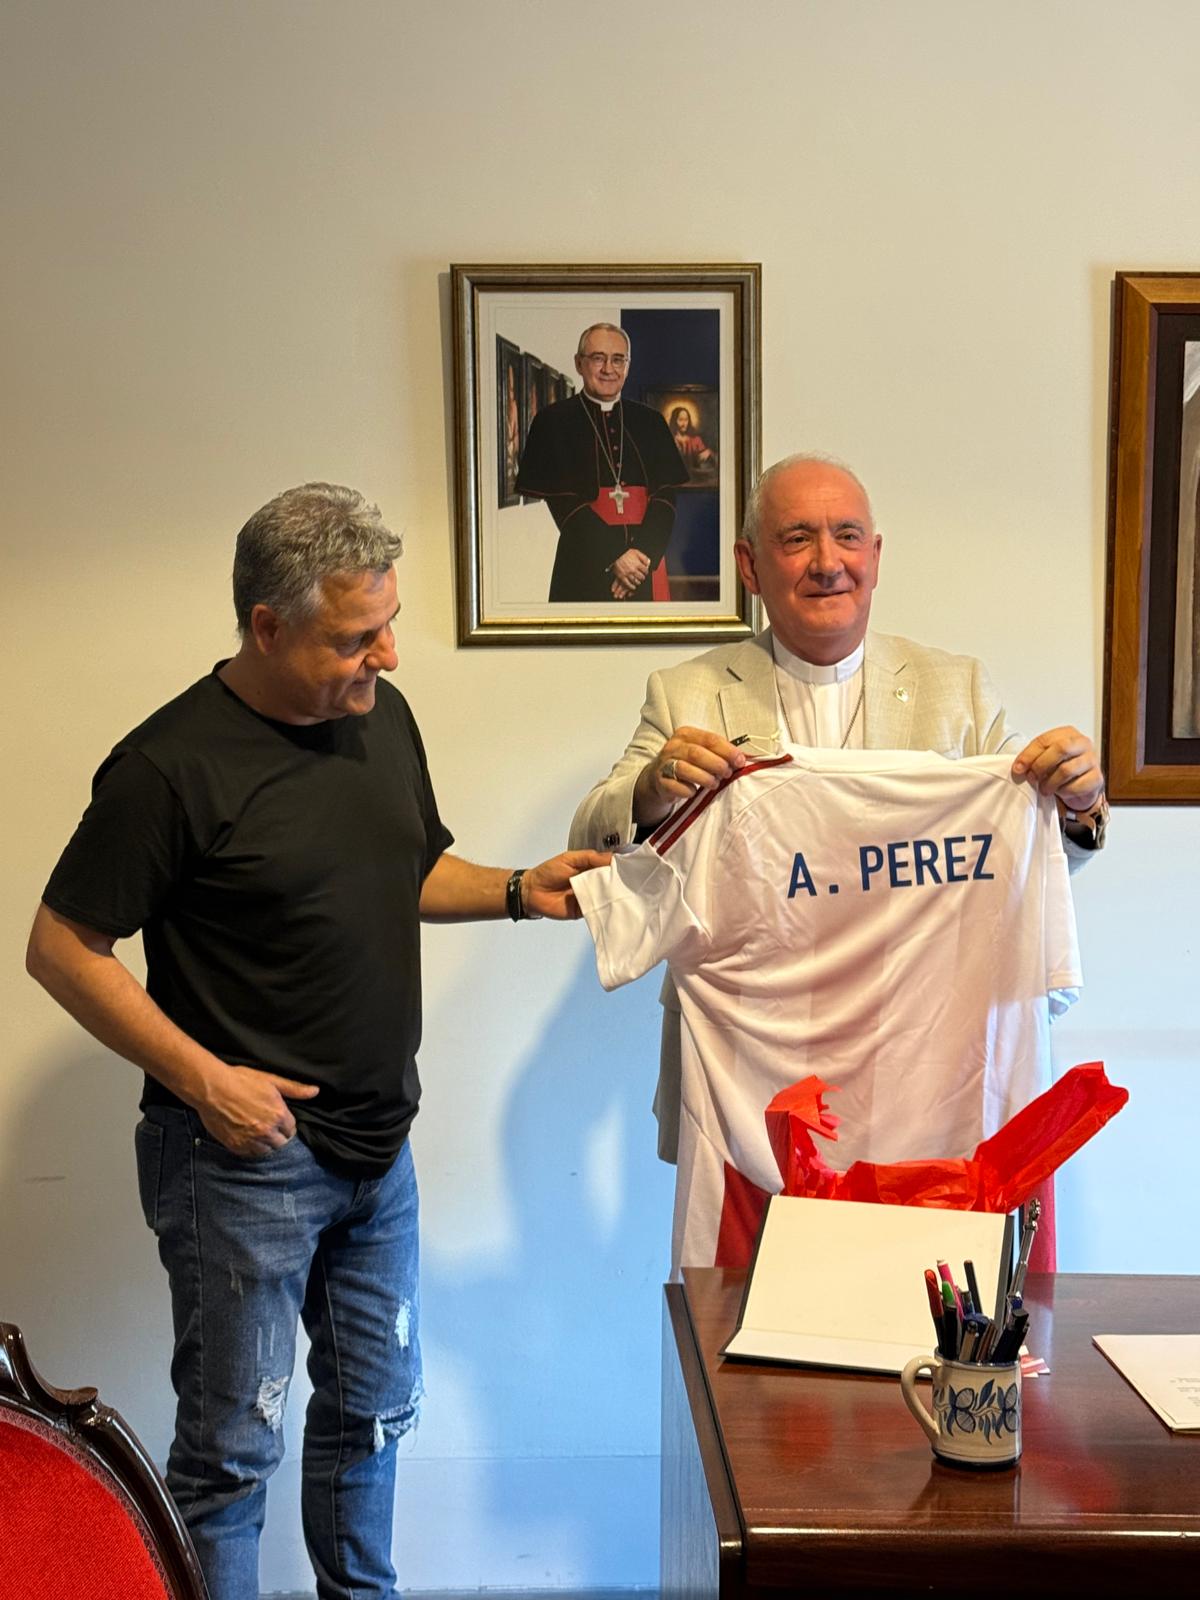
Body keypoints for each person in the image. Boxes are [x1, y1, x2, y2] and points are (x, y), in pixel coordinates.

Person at [25, 483, 608, 1600]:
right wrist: (205, 1082)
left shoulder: (376, 717)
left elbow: (411, 866)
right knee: (232, 1451)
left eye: (388, 622)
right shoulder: (165, 769)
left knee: (374, 1416)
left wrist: (527, 888)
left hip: (376, 1151)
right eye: (355, 634)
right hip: (242, 1163)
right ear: (266, 627)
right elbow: (61, 945)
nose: (385, 653)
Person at [569, 454, 1108, 1166]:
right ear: (750, 566)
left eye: (847, 537)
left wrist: (1079, 803)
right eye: (797, 539)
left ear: (875, 557)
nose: (828, 562)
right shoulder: (687, 694)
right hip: (746, 1070)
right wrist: (649, 794)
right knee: (747, 1276)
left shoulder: (958, 690)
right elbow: (589, 845)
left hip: (924, 1066)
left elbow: (1025, 853)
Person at [516, 322, 686, 602]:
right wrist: (615, 556)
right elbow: (564, 504)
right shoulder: (553, 422)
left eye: (618, 359)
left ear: (628, 366)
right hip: (584, 562)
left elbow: (666, 496)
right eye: (598, 358)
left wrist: (642, 556)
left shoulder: (651, 422)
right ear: (579, 363)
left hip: (645, 566)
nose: (609, 368)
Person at [669, 404, 717, 479]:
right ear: (674, 421)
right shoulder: (670, 439)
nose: (684, 423)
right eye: (681, 420)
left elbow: (703, 457)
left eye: (686, 420)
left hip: (695, 478)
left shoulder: (696, 439)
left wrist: (708, 452)